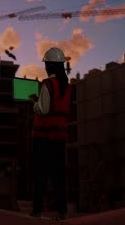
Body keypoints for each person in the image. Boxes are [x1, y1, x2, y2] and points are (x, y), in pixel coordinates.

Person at [29, 47, 72, 221]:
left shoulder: (48, 84)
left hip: (43, 138)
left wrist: (34, 102)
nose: (46, 67)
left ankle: (36, 211)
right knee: (58, 176)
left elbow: (44, 109)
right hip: (59, 138)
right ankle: (62, 211)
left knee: (40, 176)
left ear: (51, 66)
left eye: (47, 64)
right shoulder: (68, 87)